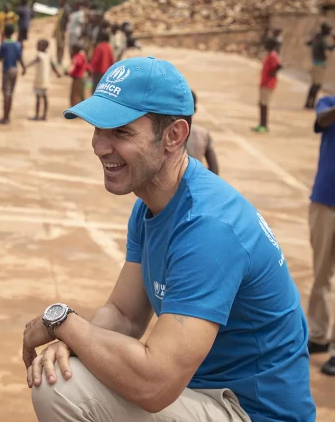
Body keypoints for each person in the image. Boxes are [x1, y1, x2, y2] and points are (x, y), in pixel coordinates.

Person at [22, 57, 316, 422]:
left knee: (61, 388)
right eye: (97, 128)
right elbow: (124, 314)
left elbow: (155, 384)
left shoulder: (209, 229)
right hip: (204, 392)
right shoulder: (152, 203)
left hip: (250, 411)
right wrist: (73, 341)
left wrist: (64, 323)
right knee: (67, 368)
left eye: (121, 132)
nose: (99, 145)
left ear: (174, 136)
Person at [306, 95, 335, 375]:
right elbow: (322, 119)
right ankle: (318, 335)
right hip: (325, 201)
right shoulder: (328, 103)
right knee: (321, 274)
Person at [0, 23, 26, 125]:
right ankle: (7, 116)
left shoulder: (3, 44)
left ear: (4, 33)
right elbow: (20, 58)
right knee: (11, 93)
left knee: (6, 94)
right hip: (15, 69)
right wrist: (24, 67)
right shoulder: (17, 44)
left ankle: (5, 117)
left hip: (7, 70)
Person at [26, 39, 61, 121]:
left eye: (38, 45)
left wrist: (25, 66)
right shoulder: (48, 55)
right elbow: (53, 66)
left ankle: (37, 115)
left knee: (38, 97)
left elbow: (33, 62)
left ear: (44, 46)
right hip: (46, 80)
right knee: (45, 98)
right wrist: (58, 73)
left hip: (39, 80)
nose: (37, 47)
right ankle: (44, 115)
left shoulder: (39, 55)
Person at [187, 90, 219, 174]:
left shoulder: (165, 133)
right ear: (195, 109)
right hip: (195, 181)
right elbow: (214, 169)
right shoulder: (202, 133)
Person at [254, 37, 282, 133]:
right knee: (262, 104)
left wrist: (271, 74)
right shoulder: (269, 55)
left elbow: (278, 66)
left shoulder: (273, 56)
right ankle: (261, 124)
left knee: (264, 104)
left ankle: (264, 125)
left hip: (268, 84)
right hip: (264, 83)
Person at [305, 22, 334, 110]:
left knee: (313, 85)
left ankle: (308, 103)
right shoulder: (322, 39)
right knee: (317, 85)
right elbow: (329, 48)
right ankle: (311, 104)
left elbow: (308, 43)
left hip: (314, 63)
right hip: (320, 65)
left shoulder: (317, 37)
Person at [53, 0, 71, 66]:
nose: (59, 1)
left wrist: (63, 32)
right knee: (57, 46)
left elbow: (66, 21)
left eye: (60, 0)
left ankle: (60, 61)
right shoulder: (60, 8)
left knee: (61, 46)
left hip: (62, 30)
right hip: (58, 30)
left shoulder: (66, 9)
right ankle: (58, 60)